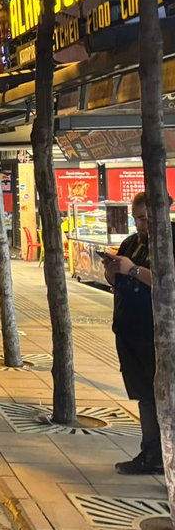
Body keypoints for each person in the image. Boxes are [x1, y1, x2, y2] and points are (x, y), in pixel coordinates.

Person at [103, 191, 166, 474]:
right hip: (129, 328)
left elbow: (167, 284)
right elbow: (119, 280)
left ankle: (161, 453)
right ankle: (150, 451)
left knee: (159, 394)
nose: (139, 224)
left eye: (144, 218)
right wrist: (112, 272)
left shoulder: (168, 241)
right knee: (143, 394)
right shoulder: (131, 242)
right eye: (136, 218)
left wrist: (133, 270)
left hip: (157, 332)